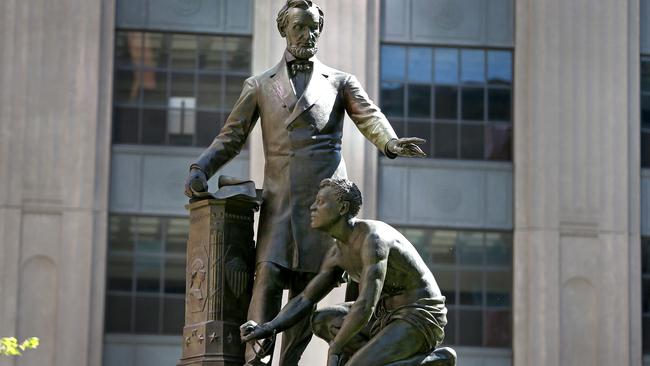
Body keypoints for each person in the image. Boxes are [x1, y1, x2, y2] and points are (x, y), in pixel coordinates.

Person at [184, 1, 426, 364]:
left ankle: (289, 362)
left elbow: (369, 116)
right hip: (280, 204)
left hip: (324, 204)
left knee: (308, 288)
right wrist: (201, 168)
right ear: (285, 30)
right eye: (299, 27)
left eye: (313, 27)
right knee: (265, 279)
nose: (307, 35)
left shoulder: (340, 82)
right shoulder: (259, 85)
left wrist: (390, 142)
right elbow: (231, 137)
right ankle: (255, 358)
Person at [240, 179, 456, 366]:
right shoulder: (336, 252)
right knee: (321, 320)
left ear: (342, 208)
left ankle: (433, 361)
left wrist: (336, 348)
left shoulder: (373, 239)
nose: (313, 208)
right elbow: (306, 299)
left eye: (321, 202)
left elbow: (365, 304)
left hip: (417, 314)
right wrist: (269, 327)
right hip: (382, 314)